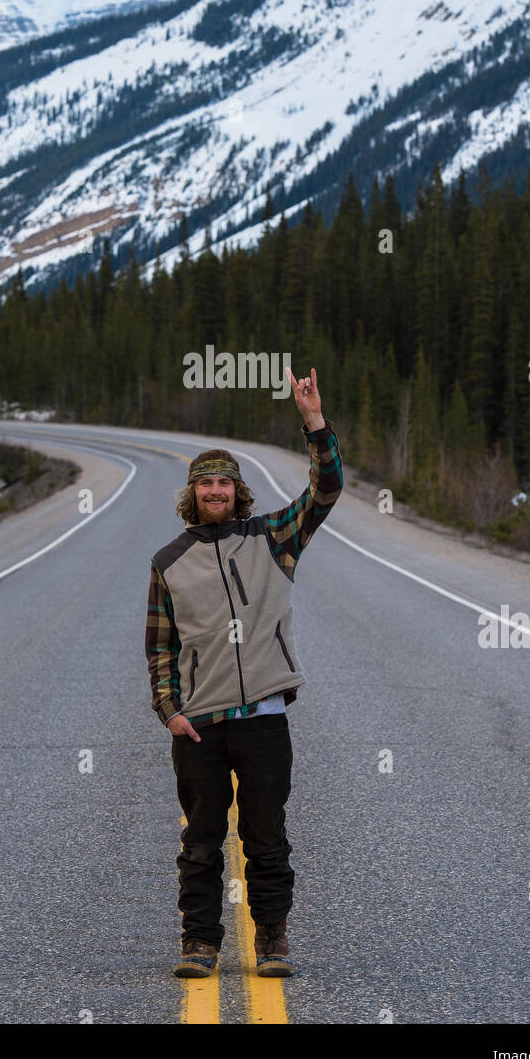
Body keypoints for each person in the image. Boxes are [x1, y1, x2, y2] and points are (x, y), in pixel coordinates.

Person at [144, 366, 343, 978]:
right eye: (204, 483)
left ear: (239, 491)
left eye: (223, 483)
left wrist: (313, 422)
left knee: (266, 838)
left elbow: (326, 491)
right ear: (191, 493)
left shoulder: (275, 539)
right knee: (201, 843)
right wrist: (169, 711)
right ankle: (199, 944)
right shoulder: (168, 561)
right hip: (200, 726)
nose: (214, 491)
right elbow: (159, 646)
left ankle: (273, 939)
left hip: (262, 719)